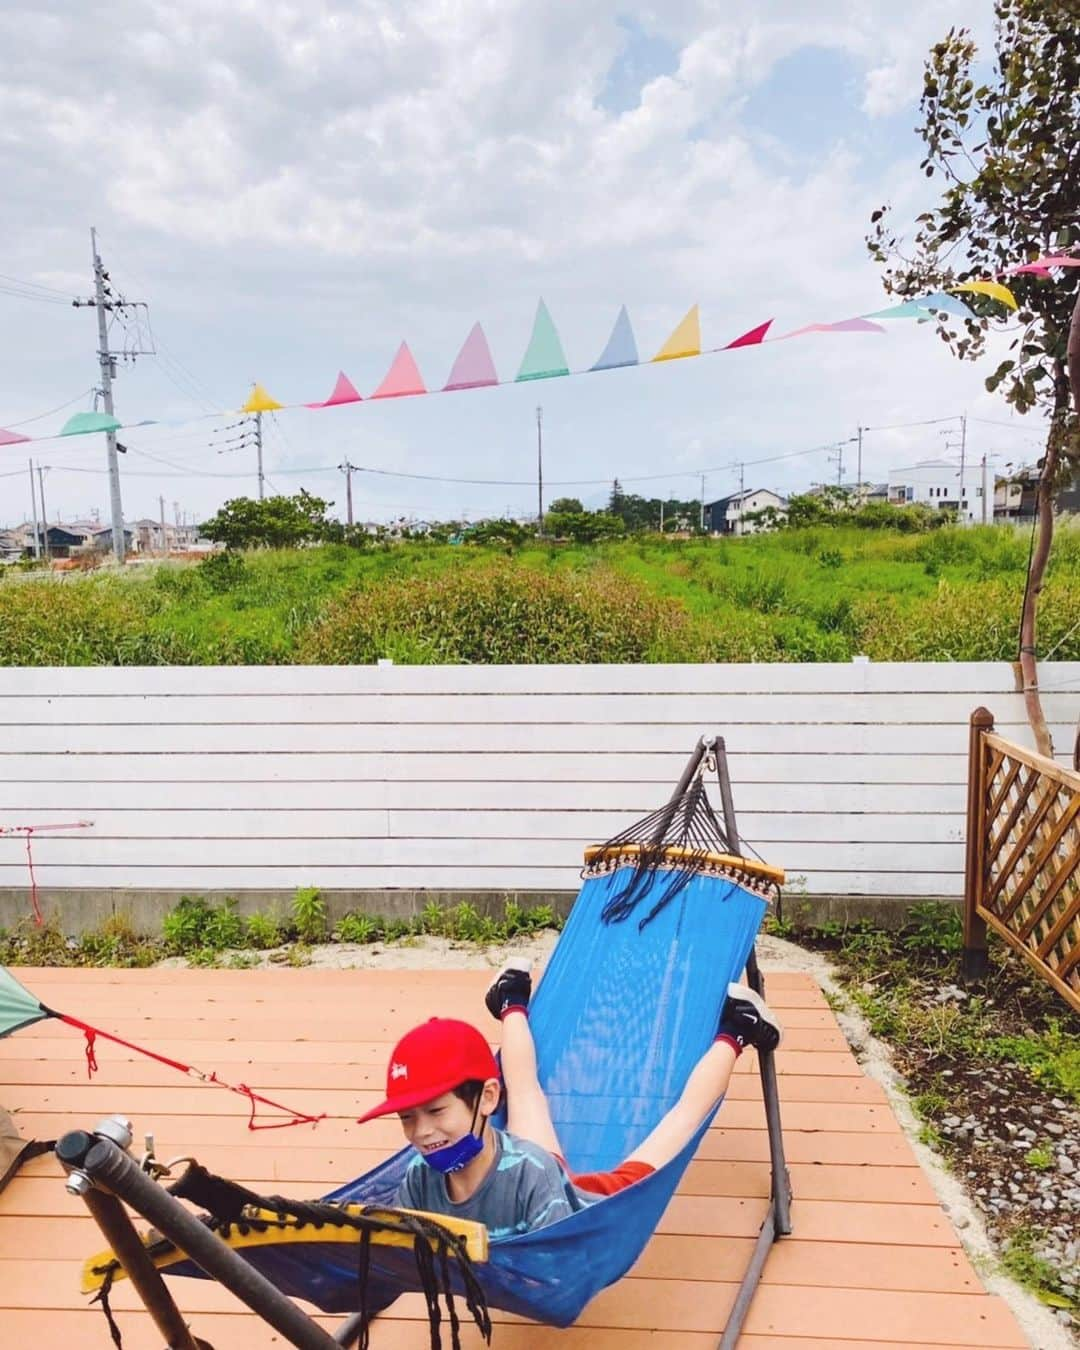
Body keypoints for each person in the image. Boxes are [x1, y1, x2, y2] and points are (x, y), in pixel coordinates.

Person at [359, 960, 781, 1240]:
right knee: (524, 1092)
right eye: (406, 1118)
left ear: (488, 1100)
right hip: (523, 1171)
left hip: (589, 1206)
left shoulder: (533, 1174)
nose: (422, 1132)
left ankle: (737, 1028)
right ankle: (511, 999)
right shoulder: (419, 1175)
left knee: (680, 1122)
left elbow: (558, 1260)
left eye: (435, 1111)